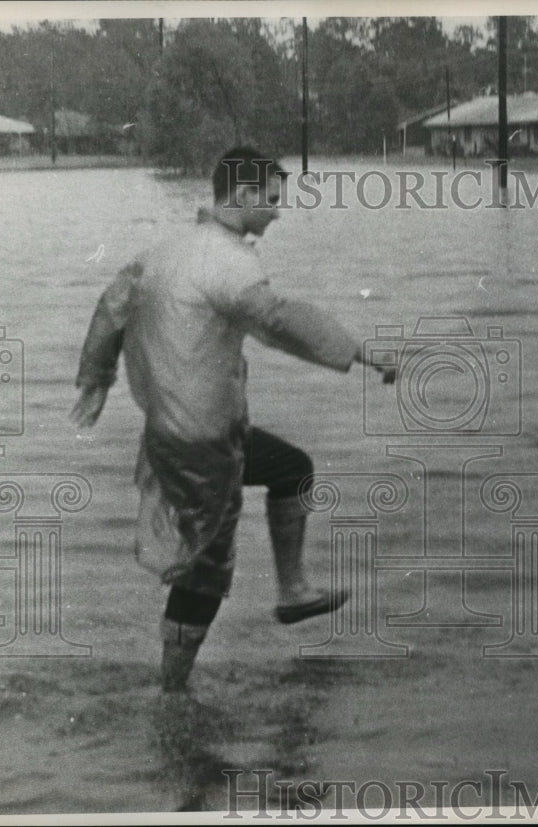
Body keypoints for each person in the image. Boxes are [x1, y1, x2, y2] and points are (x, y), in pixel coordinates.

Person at [71, 146, 395, 692]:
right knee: (207, 563)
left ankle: (292, 592)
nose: (277, 212)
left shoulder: (165, 250)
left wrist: (95, 379)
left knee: (292, 468)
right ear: (243, 196)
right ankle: (173, 692)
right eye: (271, 200)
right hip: (202, 441)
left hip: (184, 433)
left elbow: (111, 306)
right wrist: (362, 353)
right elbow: (278, 321)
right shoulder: (229, 261)